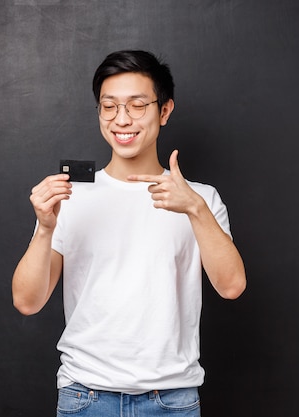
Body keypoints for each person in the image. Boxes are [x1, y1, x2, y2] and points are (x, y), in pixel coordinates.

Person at [12, 50, 246, 417]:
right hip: (85, 397)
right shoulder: (70, 196)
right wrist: (45, 227)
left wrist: (195, 210)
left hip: (171, 399)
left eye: (137, 105)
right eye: (109, 106)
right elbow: (27, 301)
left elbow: (231, 286)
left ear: (164, 111)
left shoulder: (201, 198)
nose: (122, 119)